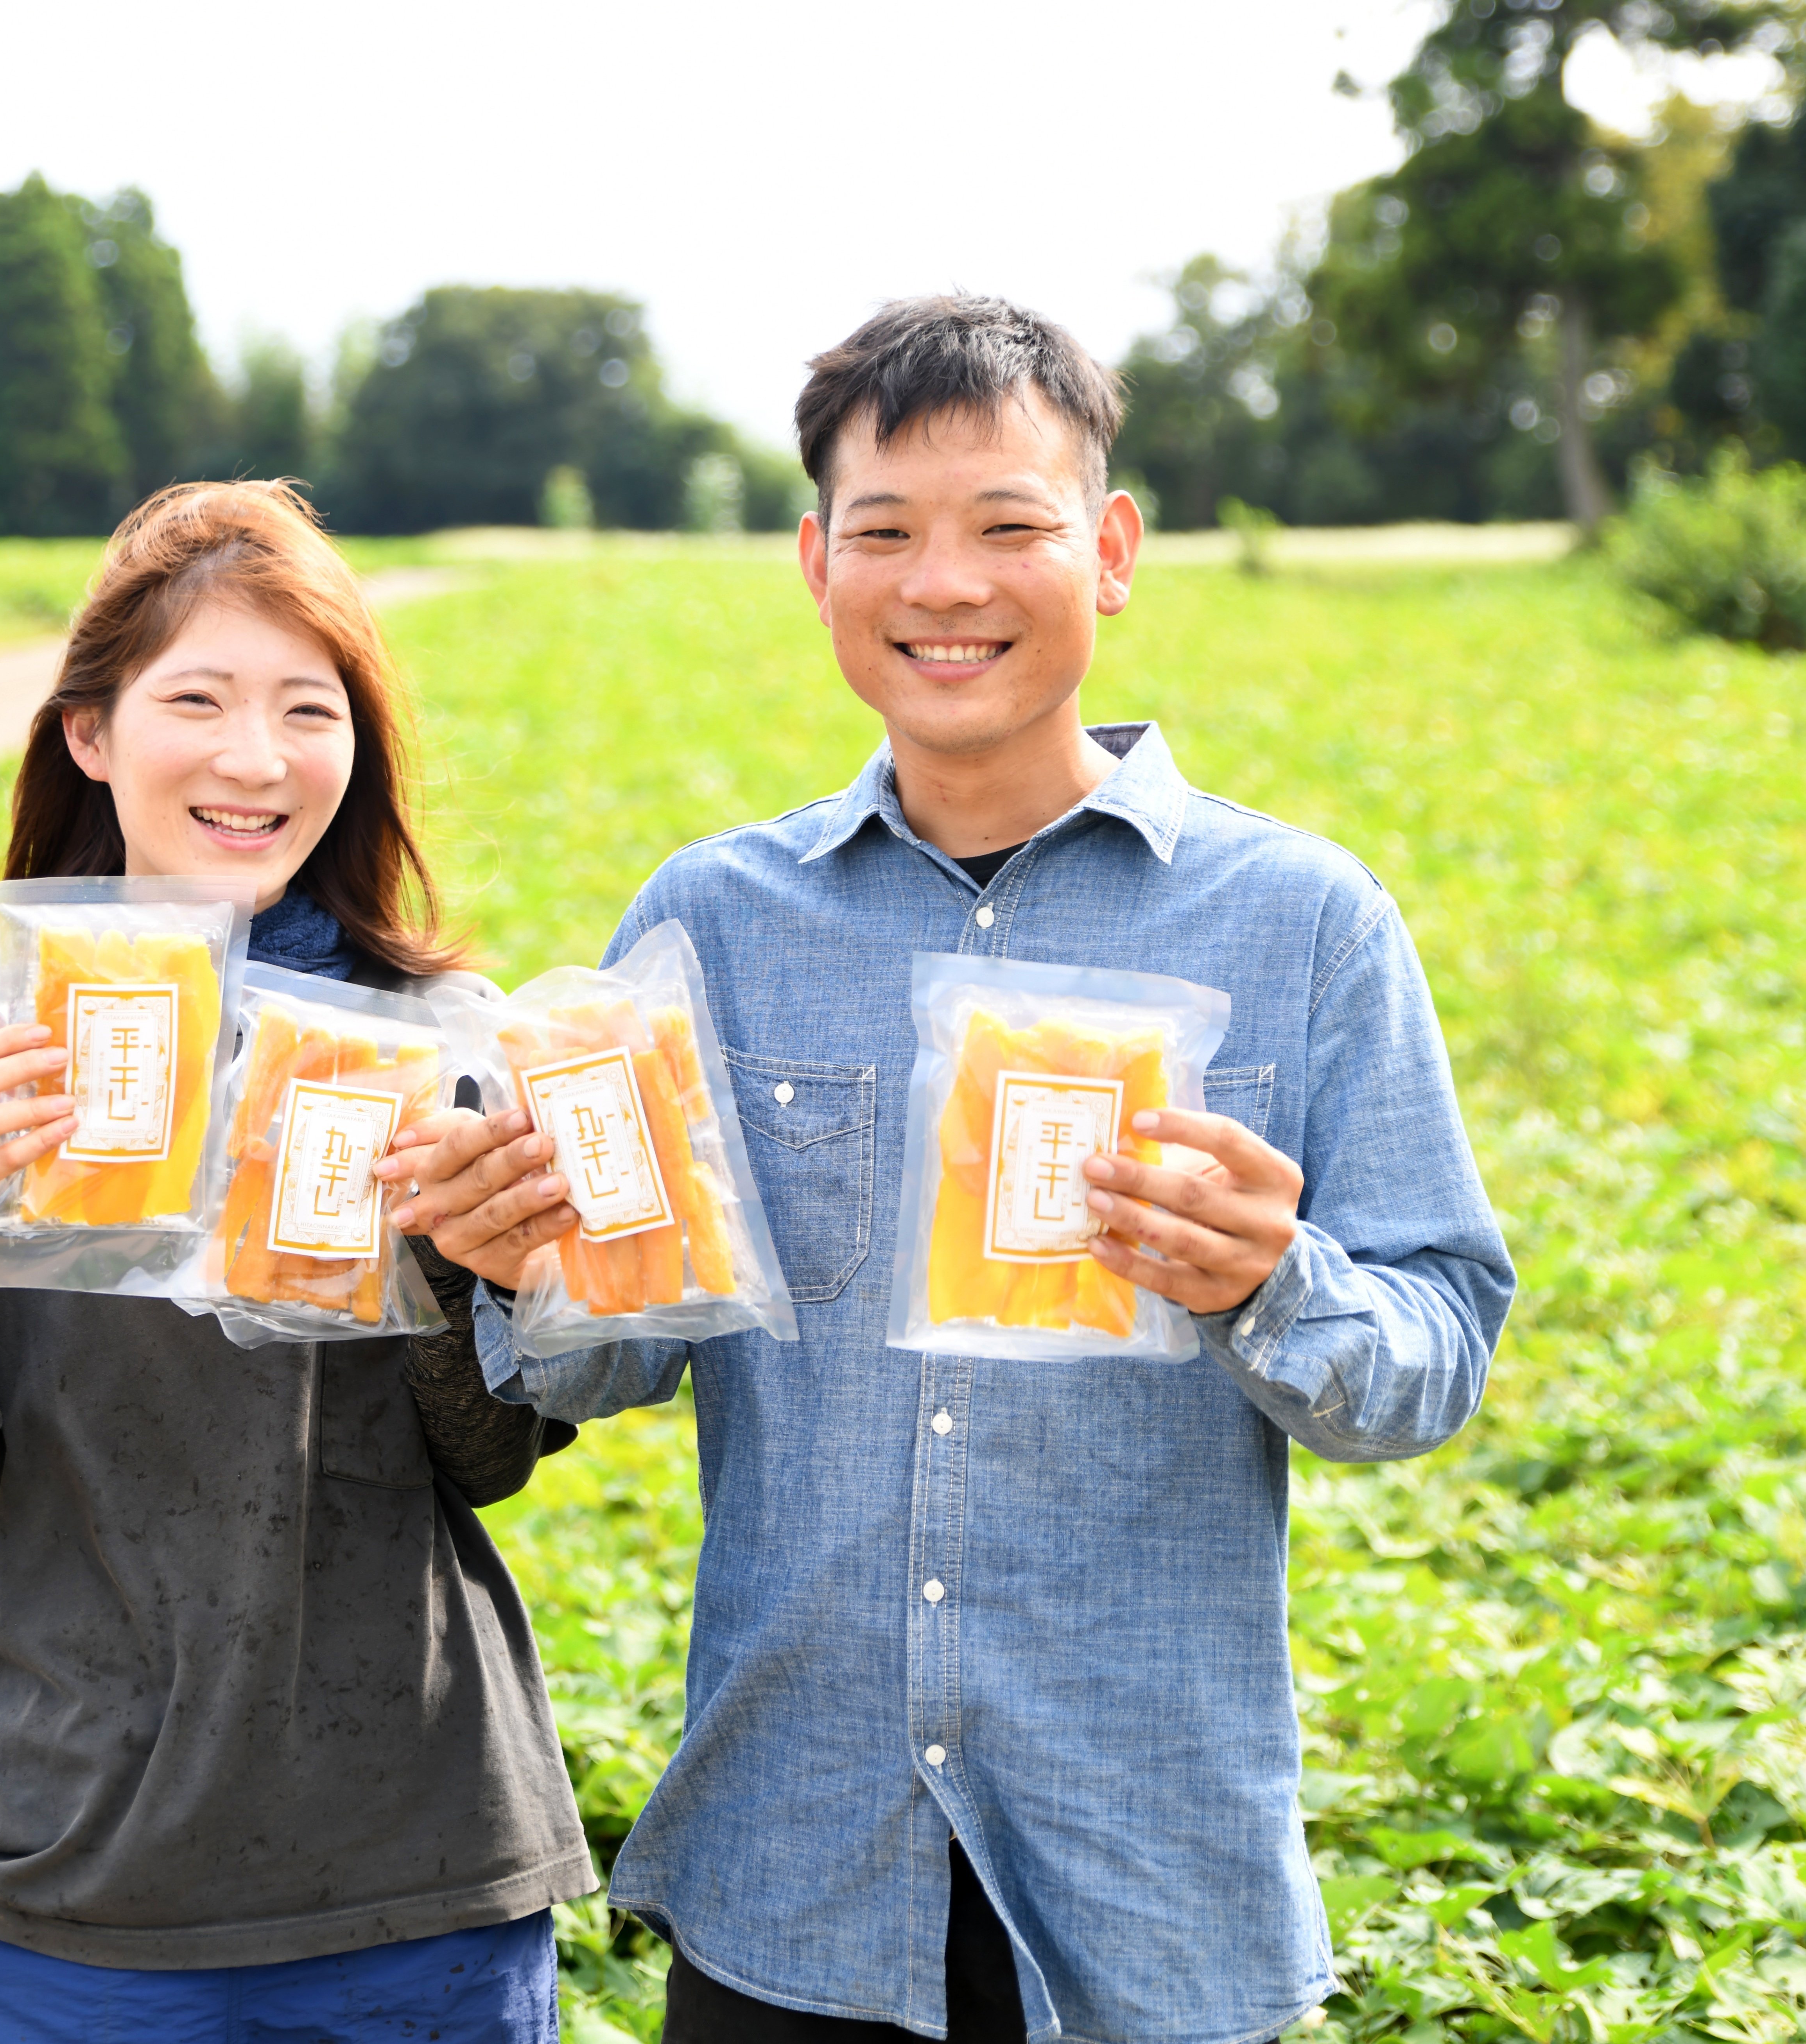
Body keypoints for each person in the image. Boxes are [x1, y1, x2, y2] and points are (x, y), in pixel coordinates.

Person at [385, 297, 1515, 2044]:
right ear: (815, 560)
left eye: (1009, 525)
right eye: (888, 531)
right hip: (792, 1872)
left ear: (1111, 550)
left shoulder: (1298, 923)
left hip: (1146, 1890)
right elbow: (614, 1352)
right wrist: (510, 1255)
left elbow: (1427, 1355)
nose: (945, 584)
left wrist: (1265, 1280)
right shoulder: (713, 922)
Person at [0, 481, 595, 2044]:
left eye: (307, 708)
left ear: (357, 747)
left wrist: (450, 1262)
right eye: (193, 698)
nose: (254, 758)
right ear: (90, 731)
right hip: (58, 1900)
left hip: (416, 1891)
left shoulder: (439, 1047)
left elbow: (484, 1463)